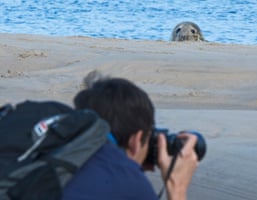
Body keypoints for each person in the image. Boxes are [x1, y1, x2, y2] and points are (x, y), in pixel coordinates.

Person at [61, 73, 198, 200]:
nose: (149, 168)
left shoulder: (52, 150)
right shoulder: (128, 185)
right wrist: (177, 188)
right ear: (136, 140)